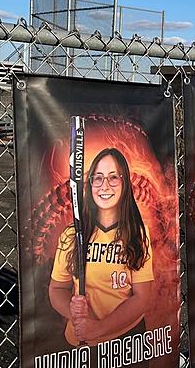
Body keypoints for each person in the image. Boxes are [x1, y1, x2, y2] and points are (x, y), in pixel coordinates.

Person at [49, 148, 153, 346]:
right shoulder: (72, 235)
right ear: (89, 185)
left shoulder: (137, 233)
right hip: (80, 342)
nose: (105, 185)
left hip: (127, 341)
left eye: (113, 177)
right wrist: (73, 312)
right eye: (98, 178)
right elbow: (56, 289)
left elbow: (141, 298)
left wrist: (98, 328)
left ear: (124, 184)